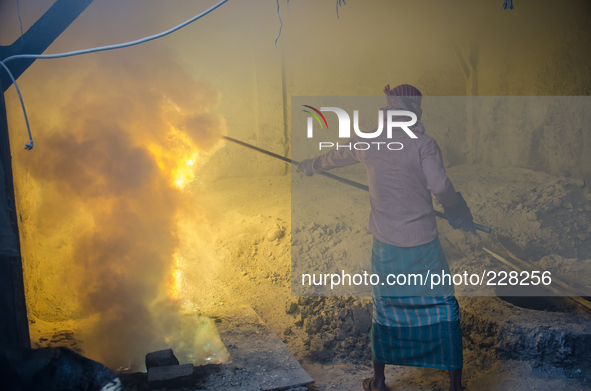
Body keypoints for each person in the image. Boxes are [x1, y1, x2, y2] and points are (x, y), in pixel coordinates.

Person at [297, 84, 476, 391]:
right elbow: (441, 186)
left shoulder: (368, 142)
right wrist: (457, 209)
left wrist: (311, 164)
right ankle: (455, 387)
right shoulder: (424, 144)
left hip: (387, 246)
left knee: (387, 307)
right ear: (414, 112)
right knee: (442, 307)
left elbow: (335, 156)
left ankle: (379, 381)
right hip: (423, 245)